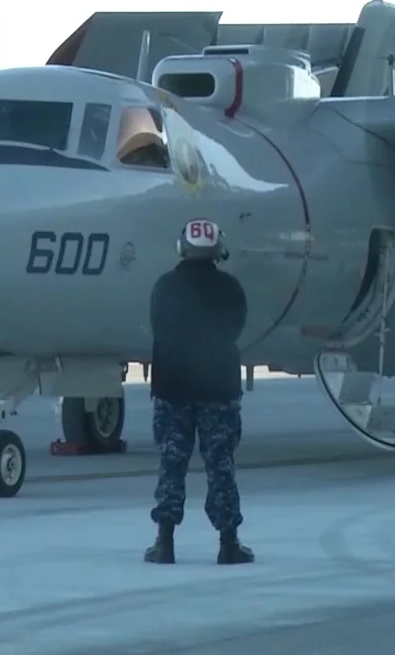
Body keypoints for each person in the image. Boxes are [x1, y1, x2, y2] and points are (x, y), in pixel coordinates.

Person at [144, 218, 253, 566]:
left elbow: (158, 325)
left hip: (172, 388)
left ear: (182, 248)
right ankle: (228, 543)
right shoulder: (231, 289)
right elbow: (236, 328)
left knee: (171, 464)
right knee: (220, 465)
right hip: (217, 388)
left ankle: (164, 543)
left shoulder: (164, 287)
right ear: (217, 249)